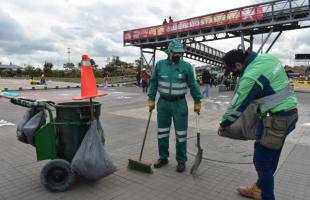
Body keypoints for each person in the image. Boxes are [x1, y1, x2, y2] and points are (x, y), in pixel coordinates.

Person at [218, 49, 298, 200]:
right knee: (270, 155)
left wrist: (224, 123)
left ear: (238, 65)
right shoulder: (268, 58)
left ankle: (267, 196)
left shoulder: (251, 76)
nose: (235, 74)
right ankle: (258, 188)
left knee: (261, 160)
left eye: (233, 71)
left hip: (277, 119)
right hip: (289, 114)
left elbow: (237, 105)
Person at [148, 38, 202, 173]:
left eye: (180, 53)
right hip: (163, 104)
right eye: (175, 53)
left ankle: (181, 161)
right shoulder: (160, 65)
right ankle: (163, 157)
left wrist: (197, 100)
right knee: (162, 133)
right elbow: (153, 83)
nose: (178, 55)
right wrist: (151, 99)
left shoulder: (186, 66)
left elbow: (193, 84)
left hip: (180, 104)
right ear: (169, 52)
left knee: (181, 134)